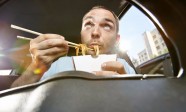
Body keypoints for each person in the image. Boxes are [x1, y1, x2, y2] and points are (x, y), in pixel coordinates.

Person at [11, 6, 135, 88]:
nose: (95, 32)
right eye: (89, 24)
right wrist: (36, 67)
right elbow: (14, 101)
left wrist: (127, 89)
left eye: (106, 26)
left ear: (117, 40)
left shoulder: (124, 67)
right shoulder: (59, 64)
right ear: (81, 34)